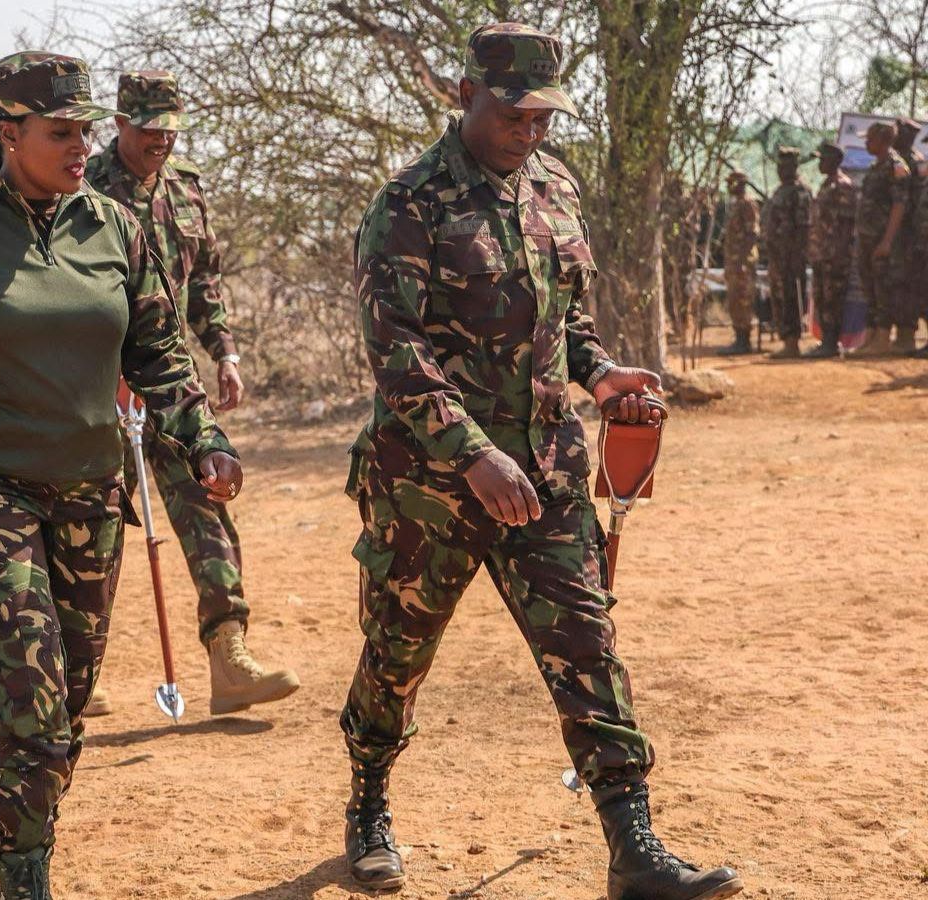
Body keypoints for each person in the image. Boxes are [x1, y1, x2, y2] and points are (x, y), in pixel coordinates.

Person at [341, 25, 743, 899]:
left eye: (544, 114)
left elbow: (571, 326)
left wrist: (602, 378)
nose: (531, 128)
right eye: (514, 111)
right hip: (429, 486)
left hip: (549, 472)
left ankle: (632, 846)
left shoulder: (555, 188)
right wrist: (472, 453)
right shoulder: (407, 204)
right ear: (464, 97)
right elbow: (396, 352)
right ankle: (369, 801)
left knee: (586, 644)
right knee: (398, 654)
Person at [0, 51, 240, 899]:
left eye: (86, 132)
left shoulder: (111, 225)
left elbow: (162, 355)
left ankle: (26, 838)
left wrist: (205, 437)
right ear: (8, 133)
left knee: (67, 699)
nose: (80, 148)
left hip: (93, 493)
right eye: (61, 133)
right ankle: (20, 874)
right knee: (29, 689)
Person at [83, 69, 298, 717]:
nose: (161, 141)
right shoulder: (80, 189)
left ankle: (229, 659)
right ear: (119, 125)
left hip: (173, 386)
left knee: (207, 506)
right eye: (148, 130)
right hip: (95, 391)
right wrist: (104, 371)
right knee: (92, 528)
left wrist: (224, 352)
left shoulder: (187, 192)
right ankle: (71, 671)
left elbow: (204, 282)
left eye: (170, 130)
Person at [854, 121, 911, 355]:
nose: (866, 142)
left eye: (870, 138)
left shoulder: (896, 166)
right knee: (869, 287)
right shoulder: (875, 166)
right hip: (867, 239)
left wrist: (887, 241)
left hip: (883, 240)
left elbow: (899, 205)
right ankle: (870, 337)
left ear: (884, 139)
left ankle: (883, 338)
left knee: (883, 287)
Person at [760, 147, 812, 359]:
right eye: (780, 166)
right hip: (776, 255)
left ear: (794, 167)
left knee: (791, 297)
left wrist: (797, 255)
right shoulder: (780, 190)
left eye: (787, 166)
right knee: (779, 297)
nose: (782, 170)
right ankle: (785, 339)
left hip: (790, 256)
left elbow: (804, 227)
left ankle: (792, 343)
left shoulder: (800, 191)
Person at [806, 142, 856, 359]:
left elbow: (847, 224)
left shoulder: (843, 186)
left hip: (835, 255)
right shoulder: (826, 185)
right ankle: (826, 340)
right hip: (821, 253)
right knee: (822, 296)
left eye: (823, 159)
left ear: (835, 161)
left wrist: (839, 253)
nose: (820, 163)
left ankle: (831, 343)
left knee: (833, 297)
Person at [892, 118, 925, 353]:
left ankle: (907, 334)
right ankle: (904, 335)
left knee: (914, 286)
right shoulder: (903, 163)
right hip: (909, 237)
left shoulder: (913, 164)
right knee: (909, 286)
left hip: (913, 237)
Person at [719, 172, 760, 355]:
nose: (728, 187)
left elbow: (752, 234)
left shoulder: (747, 204)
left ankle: (744, 340)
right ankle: (739, 337)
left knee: (743, 299)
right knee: (734, 299)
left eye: (731, 183)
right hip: (733, 262)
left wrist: (743, 260)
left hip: (742, 263)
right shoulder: (734, 205)